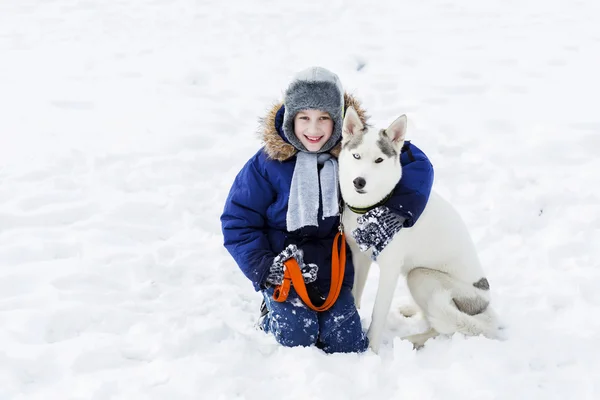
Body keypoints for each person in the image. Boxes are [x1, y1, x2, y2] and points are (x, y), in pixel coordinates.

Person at [220, 66, 434, 353]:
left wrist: (398, 209)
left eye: (323, 118)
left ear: (339, 122)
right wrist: (264, 266)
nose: (313, 129)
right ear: (290, 119)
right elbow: (237, 220)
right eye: (304, 118)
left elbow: (417, 163)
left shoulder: (355, 150)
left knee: (347, 342)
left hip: (333, 272)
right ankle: (270, 313)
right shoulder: (267, 164)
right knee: (297, 336)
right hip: (285, 272)